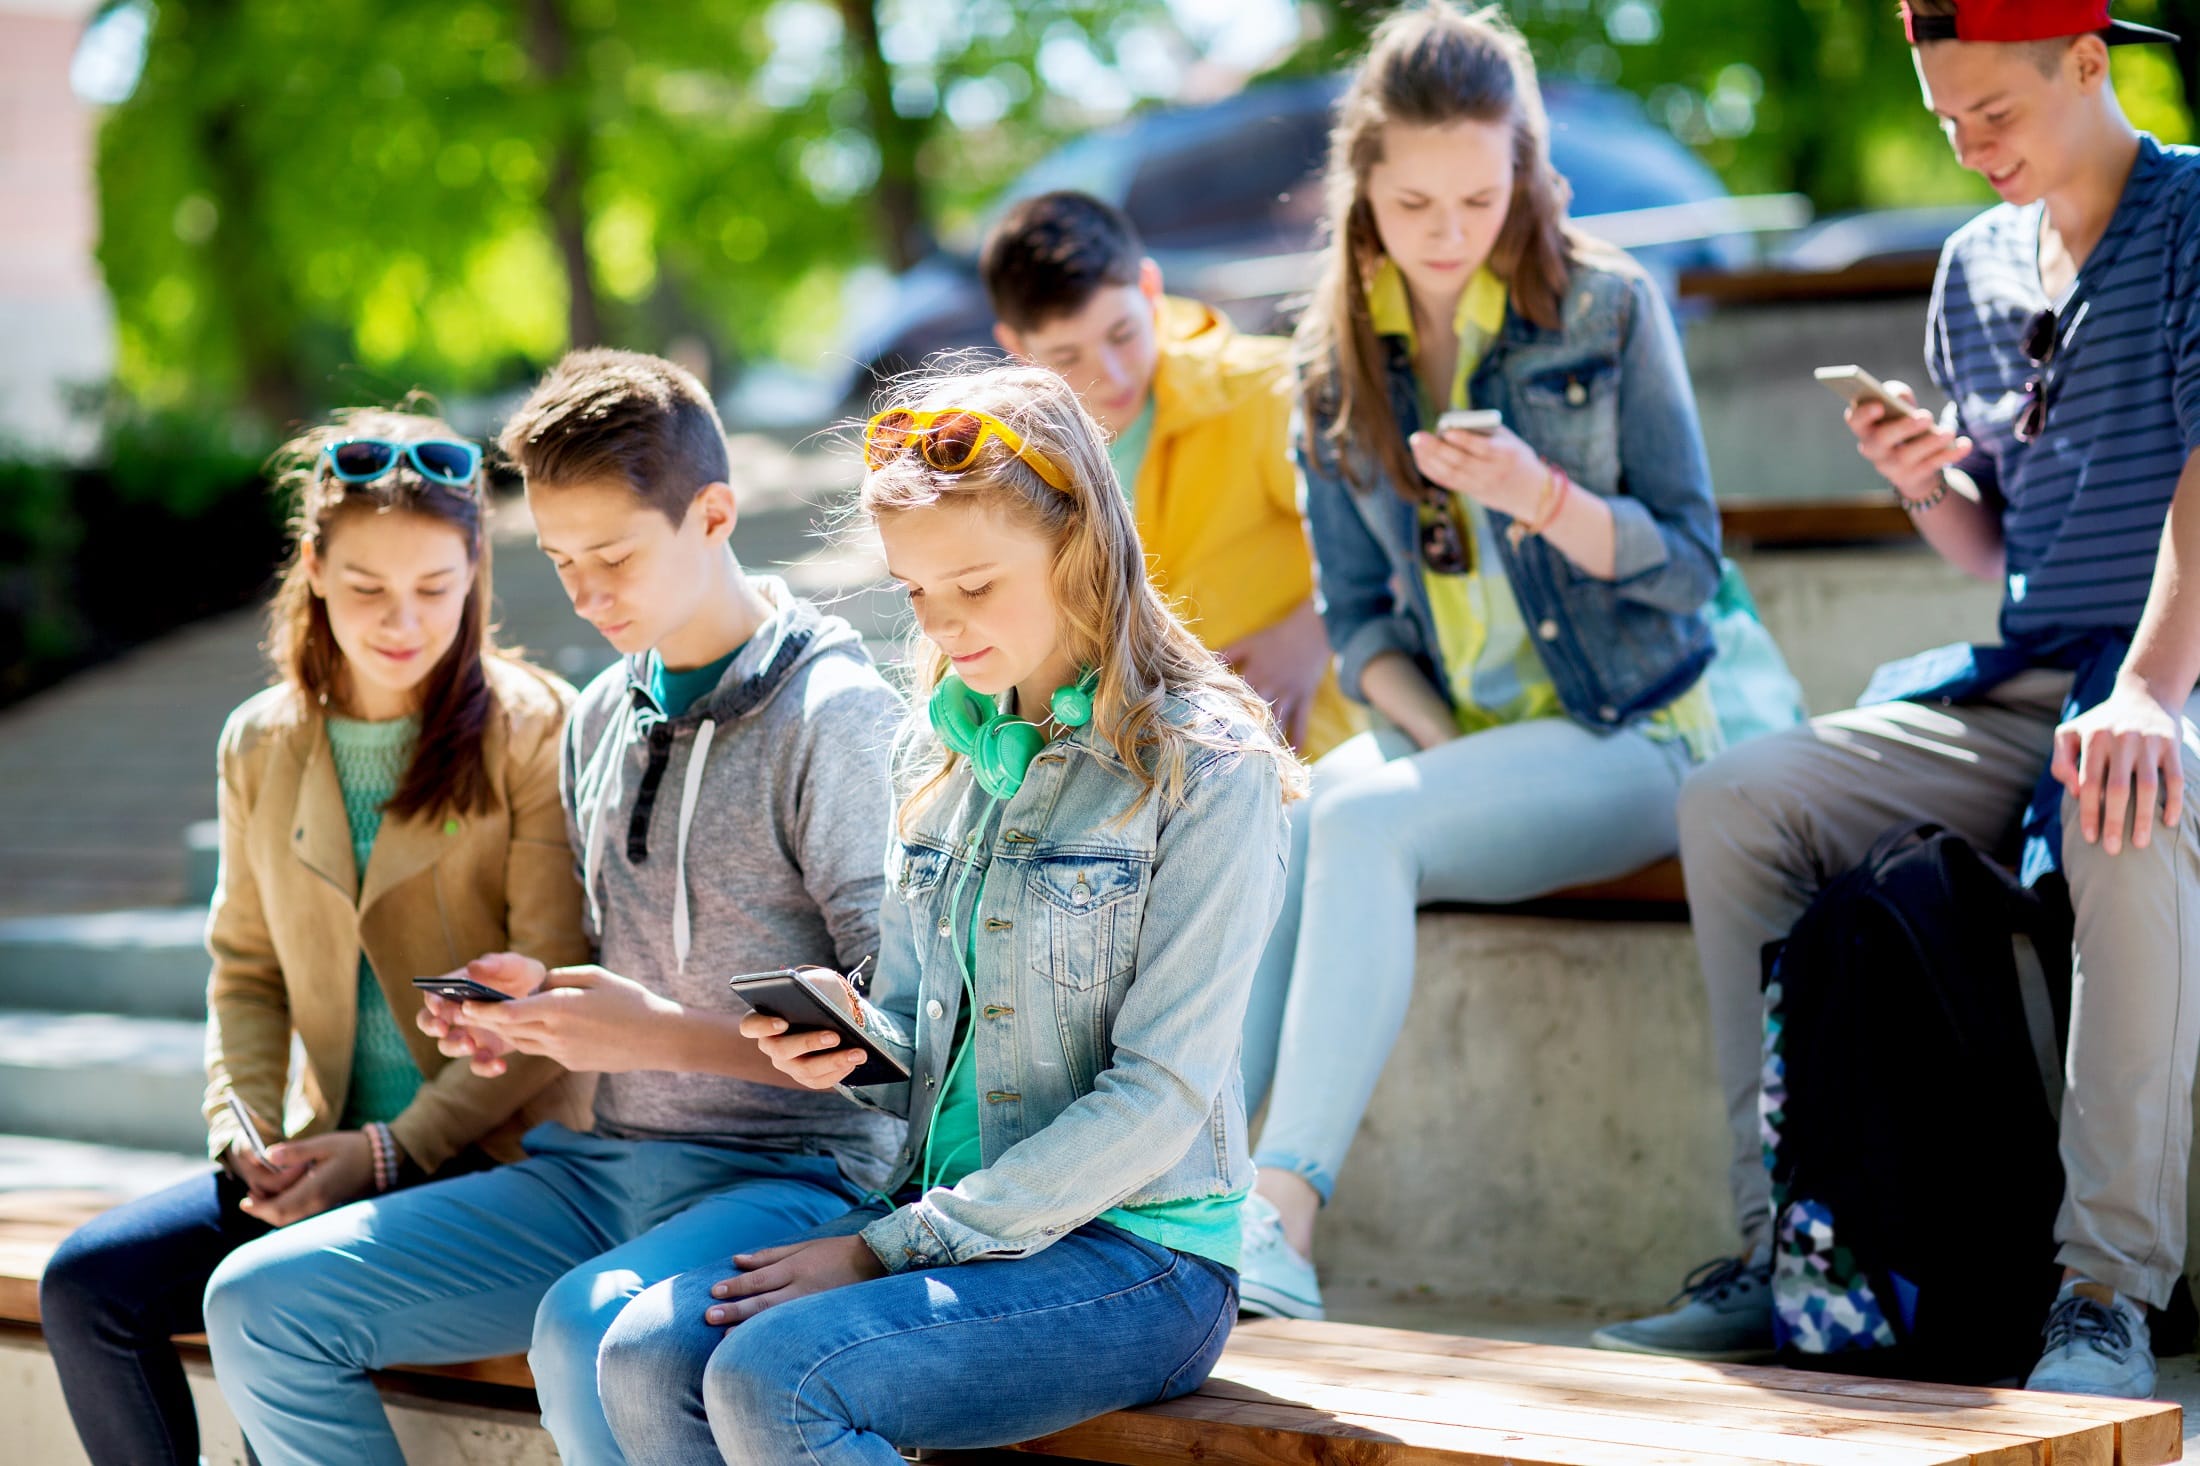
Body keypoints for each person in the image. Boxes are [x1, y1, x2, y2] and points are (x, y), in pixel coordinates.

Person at [1596, 0, 2200, 1401]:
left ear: (2089, 62)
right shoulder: (1975, 264)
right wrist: (1927, 475)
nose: (1971, 146)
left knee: (2124, 802)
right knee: (1736, 799)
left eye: (1996, 113)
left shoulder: (2188, 218)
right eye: (1947, 123)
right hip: (2027, 678)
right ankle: (1795, 1254)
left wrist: (2154, 697)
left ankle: (2106, 1293)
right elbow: (2000, 543)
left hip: (2172, 670)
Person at [585, 362, 1302, 1465]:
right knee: (643, 1351)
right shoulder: (936, 746)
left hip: (1137, 1253)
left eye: (974, 583)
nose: (943, 622)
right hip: (944, 1210)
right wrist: (851, 1028)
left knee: (778, 1379)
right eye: (917, 591)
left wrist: (890, 1248)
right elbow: (925, 1029)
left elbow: (1160, 1094)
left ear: (1082, 546)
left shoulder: (1206, 764)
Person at [198, 350, 905, 1464]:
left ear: (714, 514)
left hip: (797, 1181)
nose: (585, 592)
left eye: (614, 555)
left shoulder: (836, 714)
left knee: (585, 1330)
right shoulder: (596, 717)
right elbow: (605, 969)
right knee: (258, 1302)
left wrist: (651, 1032)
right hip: (600, 1172)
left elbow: (897, 1041)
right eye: (562, 560)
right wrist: (524, 1005)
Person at [1232, 1, 1730, 1322]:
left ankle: (1278, 1212)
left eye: (1480, 194)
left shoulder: (1609, 305)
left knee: (1370, 811)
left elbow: (1690, 562)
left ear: (1526, 174)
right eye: (1414, 203)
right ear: (1364, 192)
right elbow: (1361, 621)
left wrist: (1541, 495)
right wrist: (1453, 757)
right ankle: (1168, 1194)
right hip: (1468, 735)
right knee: (1295, 806)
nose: (1449, 231)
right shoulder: (1333, 363)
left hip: (1637, 725)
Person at [37, 407, 593, 1466]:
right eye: (369, 586)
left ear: (477, 570)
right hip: (312, 1146)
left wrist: (389, 1148)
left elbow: (548, 990)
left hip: (478, 1162)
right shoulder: (261, 737)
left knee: (272, 1312)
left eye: (436, 587)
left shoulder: (534, 723)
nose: (403, 619)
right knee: (87, 1286)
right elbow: (244, 968)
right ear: (315, 569)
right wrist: (242, 1129)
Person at [981, 189, 1358, 757]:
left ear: (1151, 290)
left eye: (1122, 334)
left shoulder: (1264, 390)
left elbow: (1395, 539)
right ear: (1015, 348)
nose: (1108, 374)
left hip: (1308, 753)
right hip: (1147, 771)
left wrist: (1307, 637)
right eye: (1068, 357)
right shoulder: (1017, 458)